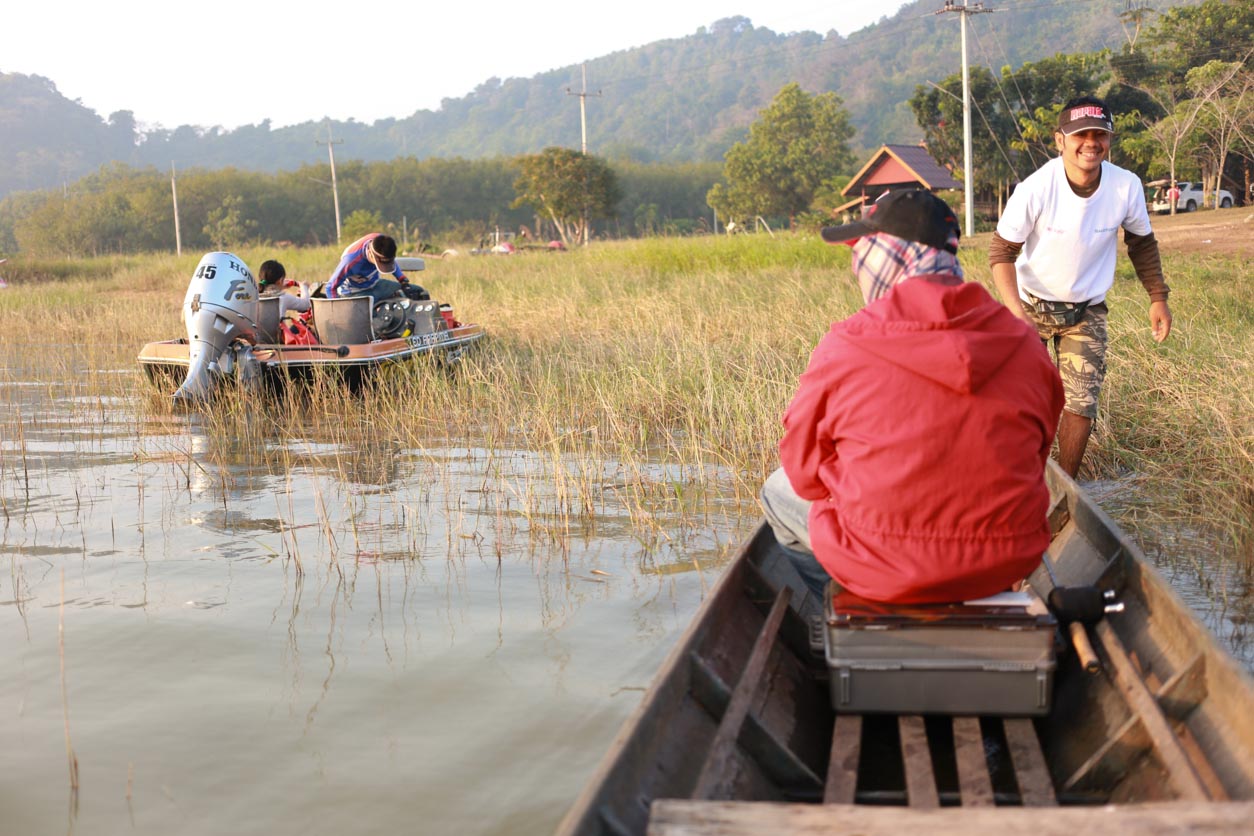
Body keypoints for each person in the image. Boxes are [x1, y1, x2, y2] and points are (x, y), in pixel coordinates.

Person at [760, 189, 1064, 604]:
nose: (856, 267)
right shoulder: (1026, 344)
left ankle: (834, 609)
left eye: (862, 251)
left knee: (776, 492)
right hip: (1006, 562)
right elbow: (1037, 455)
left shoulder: (844, 347)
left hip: (879, 568)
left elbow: (803, 475)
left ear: (887, 256)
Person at [990, 96, 1172, 478]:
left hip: (1086, 310)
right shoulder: (1036, 188)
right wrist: (1015, 314)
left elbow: (1141, 243)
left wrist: (1158, 298)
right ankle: (1021, 480)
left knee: (1081, 402)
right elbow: (1001, 253)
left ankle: (1066, 488)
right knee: (1025, 402)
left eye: (1099, 134)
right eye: (1080, 135)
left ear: (1110, 139)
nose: (1091, 142)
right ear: (1060, 141)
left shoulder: (1126, 186)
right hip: (1031, 308)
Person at [326, 233, 428, 303]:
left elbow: (391, 262)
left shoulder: (382, 242)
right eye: (381, 263)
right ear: (370, 253)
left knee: (418, 292)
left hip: (376, 285)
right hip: (354, 293)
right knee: (375, 319)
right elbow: (330, 287)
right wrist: (337, 309)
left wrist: (401, 279)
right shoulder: (350, 261)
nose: (385, 265)